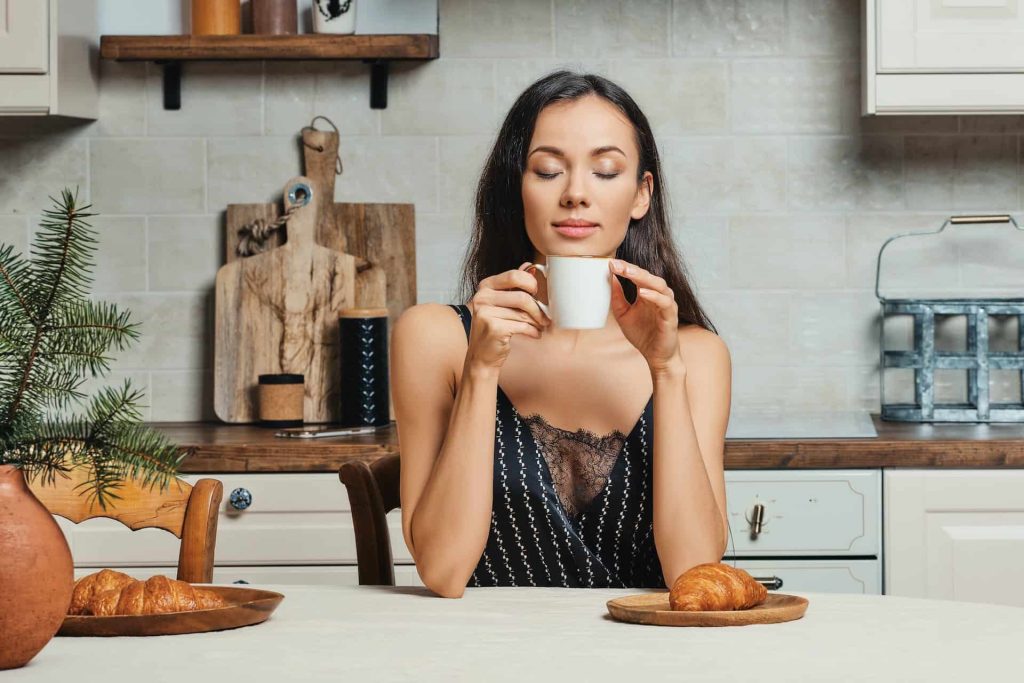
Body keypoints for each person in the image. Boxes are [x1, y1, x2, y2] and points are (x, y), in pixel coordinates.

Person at [391, 71, 731, 598]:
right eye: (549, 171)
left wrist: (665, 369)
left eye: (605, 171)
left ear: (641, 195)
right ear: (516, 188)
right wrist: (482, 369)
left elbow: (693, 575)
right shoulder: (435, 338)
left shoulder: (696, 356)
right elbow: (442, 571)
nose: (575, 194)